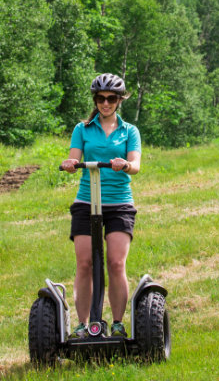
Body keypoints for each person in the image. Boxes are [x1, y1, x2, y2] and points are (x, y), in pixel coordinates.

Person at [60, 73, 142, 338]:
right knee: (85, 263)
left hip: (118, 203)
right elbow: (74, 159)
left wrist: (126, 165)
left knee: (116, 262)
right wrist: (70, 164)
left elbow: (136, 165)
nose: (105, 103)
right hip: (86, 201)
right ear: (95, 100)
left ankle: (117, 324)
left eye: (111, 98)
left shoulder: (130, 131)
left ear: (120, 100)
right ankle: (83, 325)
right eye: (100, 98)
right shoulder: (82, 129)